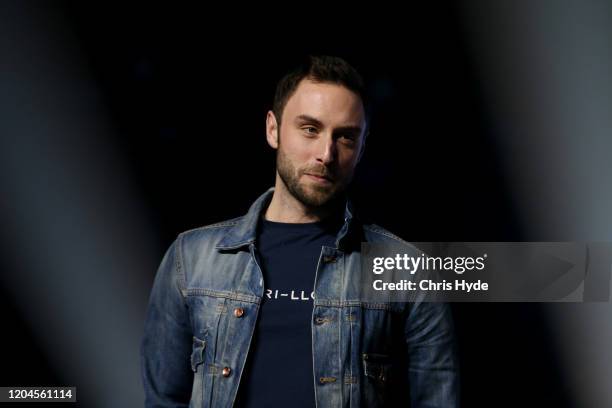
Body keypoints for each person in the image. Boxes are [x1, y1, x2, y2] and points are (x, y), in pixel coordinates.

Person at [141, 55, 459, 407]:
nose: (326, 153)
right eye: (310, 129)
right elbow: (163, 399)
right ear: (273, 130)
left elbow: (437, 400)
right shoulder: (192, 258)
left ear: (362, 147)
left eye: (346, 137)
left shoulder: (406, 271)